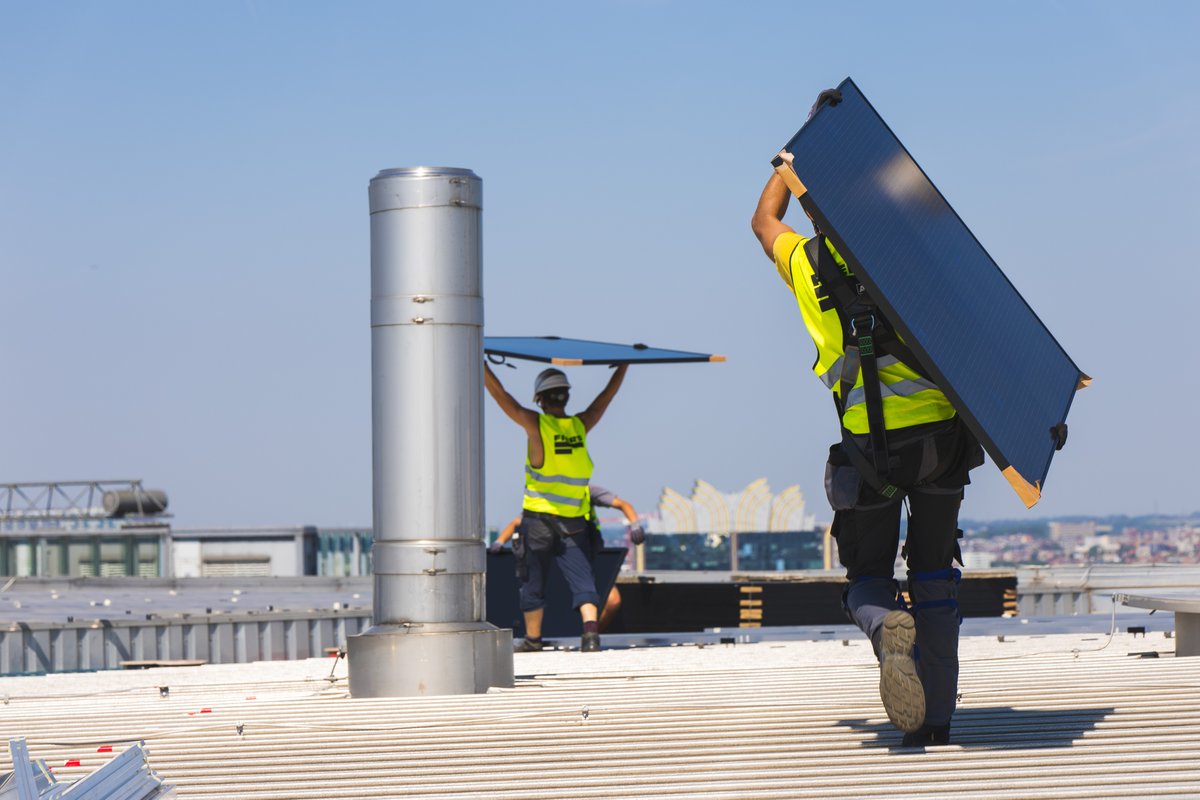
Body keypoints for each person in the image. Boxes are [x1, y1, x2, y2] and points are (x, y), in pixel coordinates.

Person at [749, 92, 984, 747]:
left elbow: (763, 220)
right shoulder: (910, 257)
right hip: (942, 440)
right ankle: (936, 721)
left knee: (868, 577)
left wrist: (789, 164)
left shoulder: (807, 263)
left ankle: (885, 626)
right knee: (936, 574)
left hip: (871, 451)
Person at [484, 362, 628, 652]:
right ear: (566, 396)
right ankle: (590, 636)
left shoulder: (536, 425)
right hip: (573, 523)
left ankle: (533, 640)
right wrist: (623, 367)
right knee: (583, 579)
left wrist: (480, 362)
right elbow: (606, 398)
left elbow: (501, 396)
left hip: (537, 523)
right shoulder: (581, 425)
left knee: (532, 582)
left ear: (540, 399)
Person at [491, 484, 645, 633]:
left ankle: (589, 633)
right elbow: (517, 522)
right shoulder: (546, 498)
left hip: (589, 557)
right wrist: (500, 542)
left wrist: (635, 525)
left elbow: (622, 504)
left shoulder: (587, 492)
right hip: (557, 560)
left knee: (611, 600)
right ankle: (537, 638)